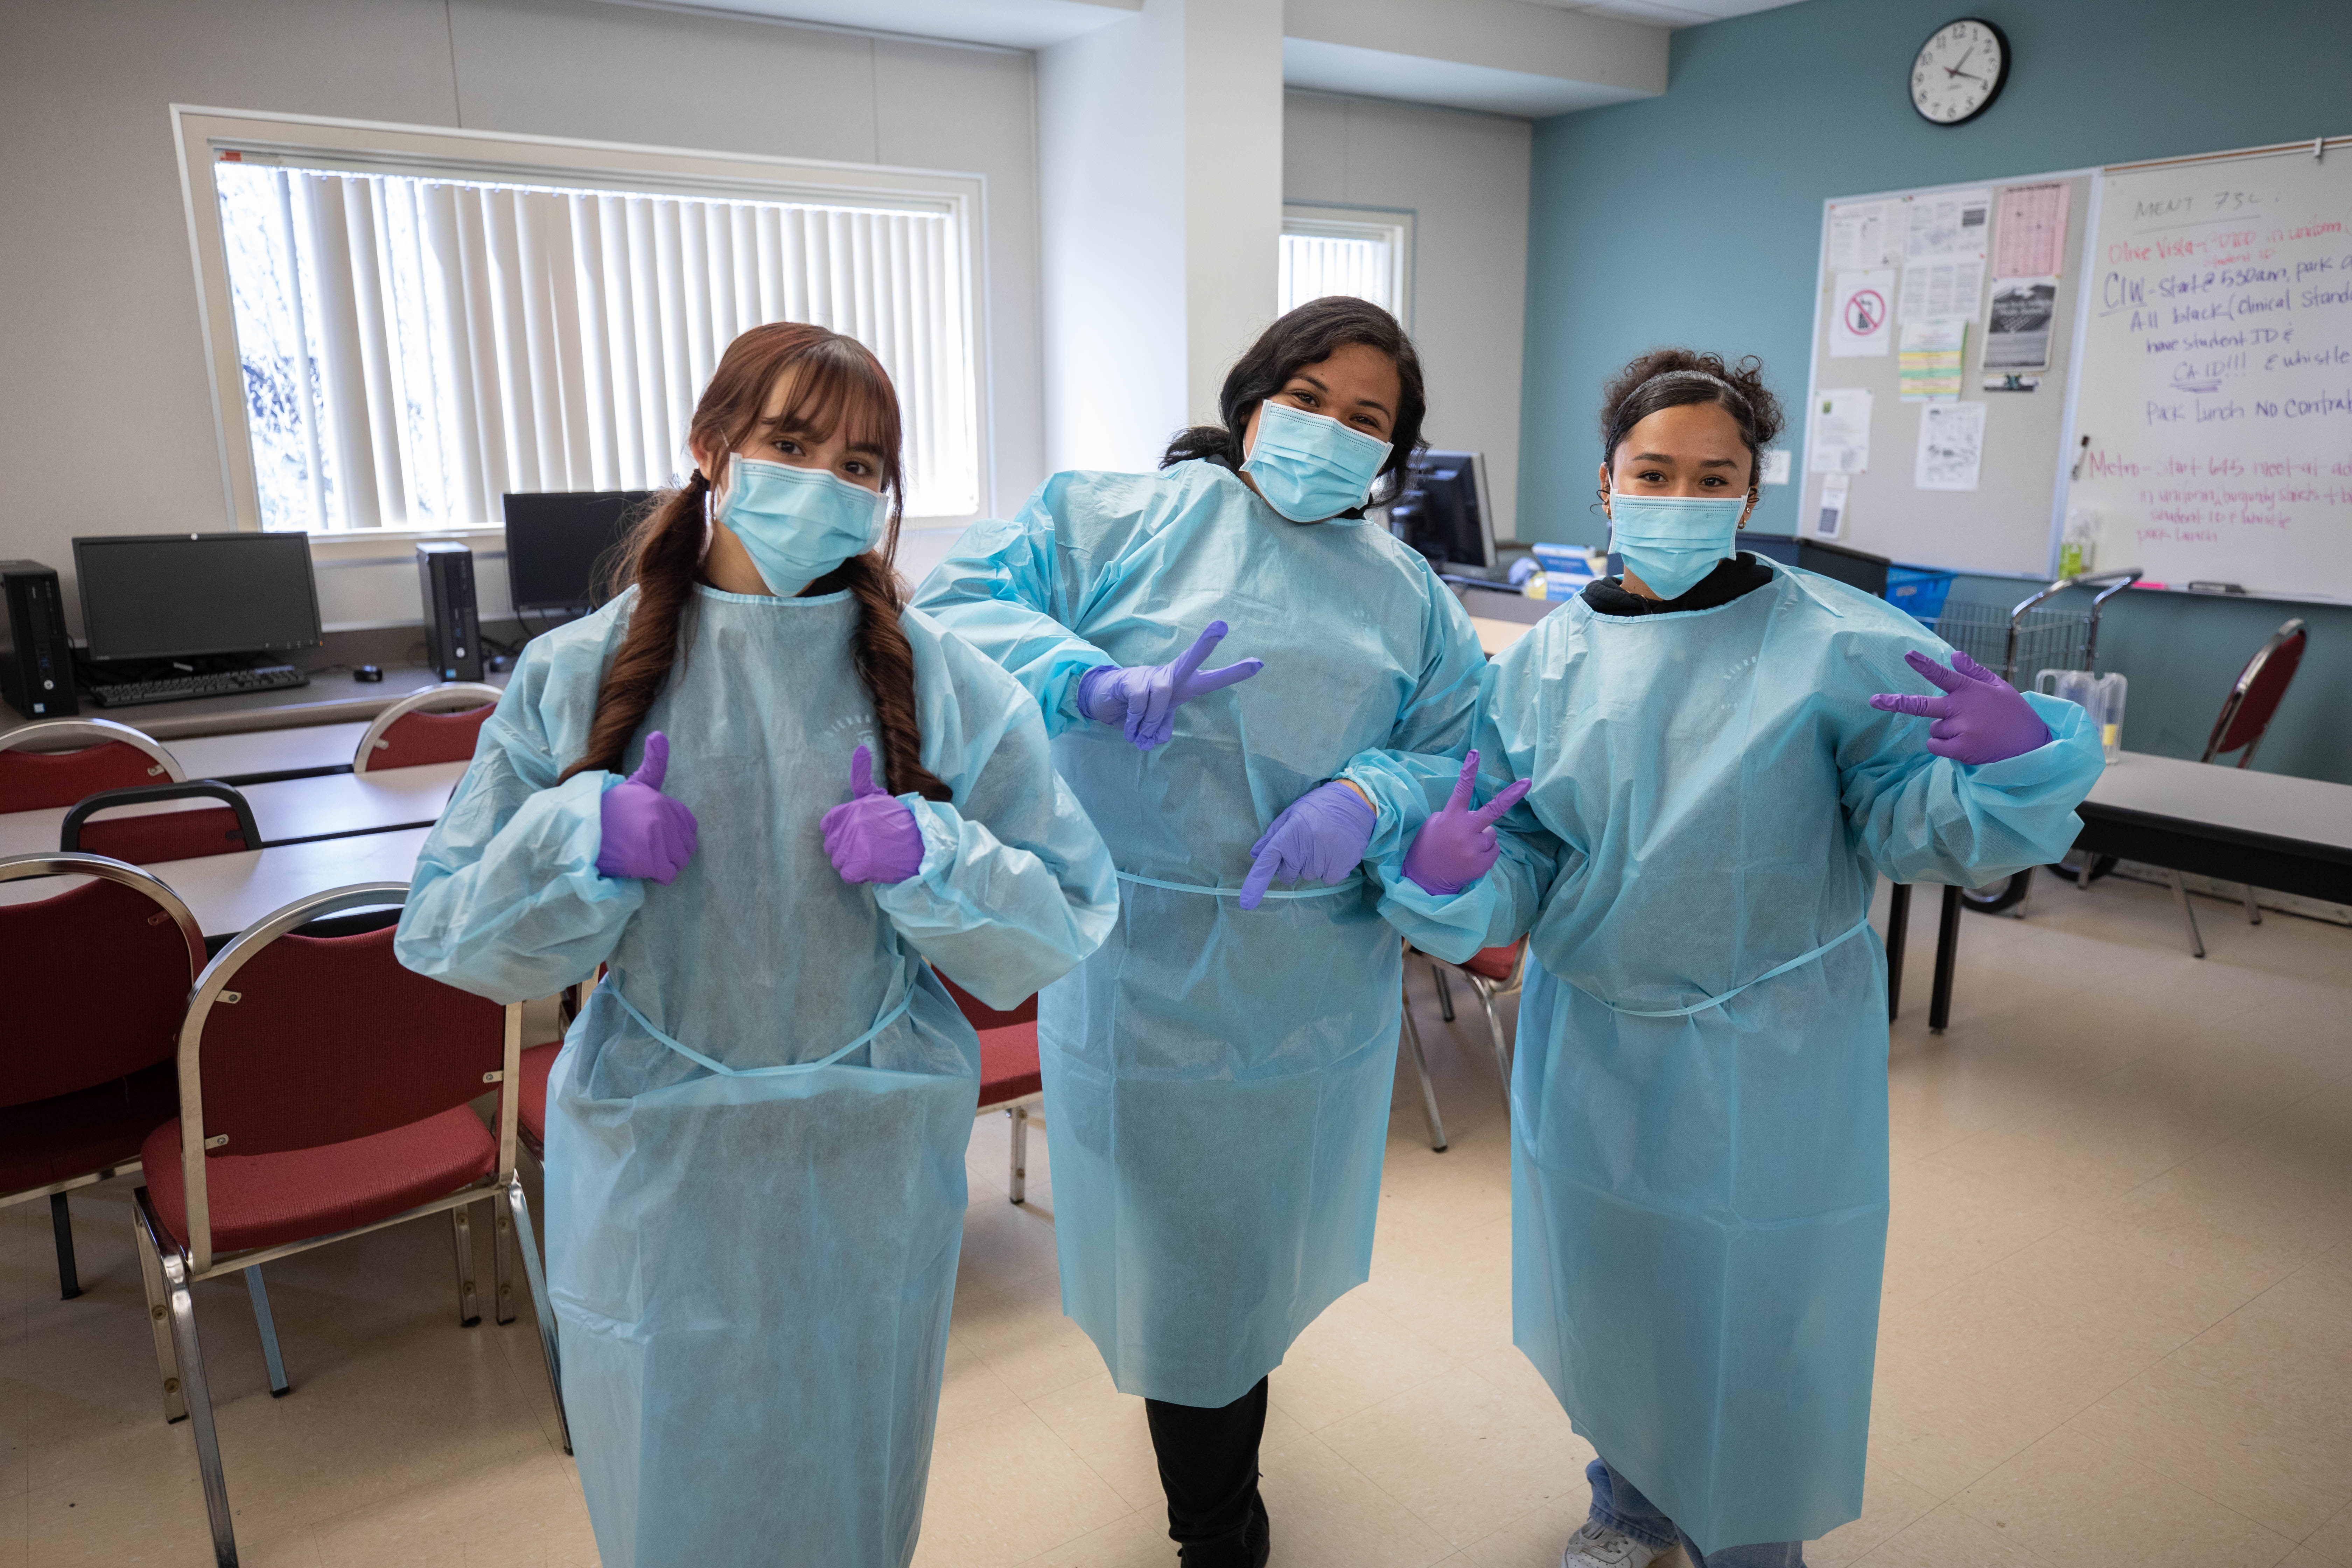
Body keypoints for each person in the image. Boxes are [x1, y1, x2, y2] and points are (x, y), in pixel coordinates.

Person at [393, 323, 1118, 1568]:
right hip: (660, 1161)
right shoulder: (578, 675)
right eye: (793, 445)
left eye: (863, 465)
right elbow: (449, 927)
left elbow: (1063, 916)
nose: (827, 484)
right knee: (674, 1482)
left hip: (872, 1161)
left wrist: (938, 855)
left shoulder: (946, 684)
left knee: (854, 1469)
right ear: (712, 448)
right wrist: (579, 838)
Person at [1378, 349, 2105, 1568]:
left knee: (1760, 1305)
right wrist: (1456, 881)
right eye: (1652, 472)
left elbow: (1909, 826)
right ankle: (1632, 1499)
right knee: (1617, 1293)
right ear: (1605, 483)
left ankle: (1751, 1533)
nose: (1679, 496)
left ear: (1750, 495)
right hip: (1593, 1034)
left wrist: (2013, 762)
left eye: (1712, 477)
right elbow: (1533, 857)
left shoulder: (1838, 641)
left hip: (1771, 1047)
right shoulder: (1547, 663)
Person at [915, 297, 1499, 1566]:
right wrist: (1089, 677)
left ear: (1390, 459)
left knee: (1254, 1258)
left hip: (1310, 986)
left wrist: (1371, 795)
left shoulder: (1407, 596)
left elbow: (1461, 746)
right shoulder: (1111, 520)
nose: (1329, 432)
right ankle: (1218, 1528)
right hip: (1139, 975)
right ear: (1250, 400)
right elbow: (949, 611)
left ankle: (1224, 1480)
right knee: (1182, 1276)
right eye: (1307, 398)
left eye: (1367, 421)